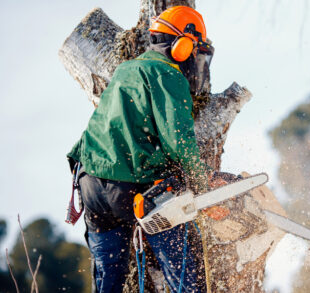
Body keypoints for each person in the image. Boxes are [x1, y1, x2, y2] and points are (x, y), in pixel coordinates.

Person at [67, 6, 218, 292]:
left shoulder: (127, 69)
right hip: (128, 187)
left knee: (108, 281)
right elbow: (180, 142)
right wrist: (201, 186)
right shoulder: (167, 74)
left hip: (90, 186)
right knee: (187, 270)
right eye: (195, 52)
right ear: (183, 46)